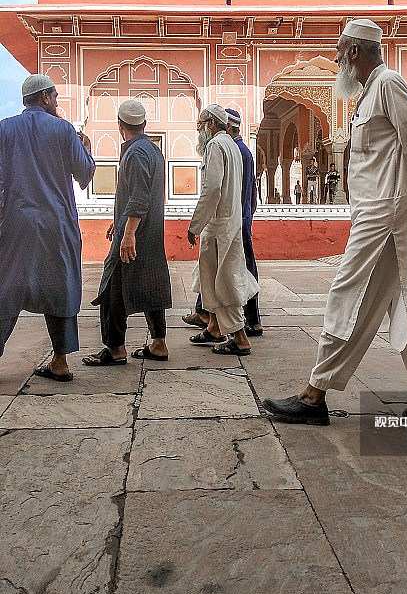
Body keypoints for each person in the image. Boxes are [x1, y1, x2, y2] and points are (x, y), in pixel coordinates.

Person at [262, 18, 407, 427]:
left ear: (355, 51)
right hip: (380, 209)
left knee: (346, 292)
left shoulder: (389, 84)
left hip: (383, 211)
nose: (337, 58)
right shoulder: (370, 92)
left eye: (340, 51)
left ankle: (314, 394)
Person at [0, 74, 95, 381]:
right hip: (58, 222)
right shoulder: (63, 129)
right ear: (43, 97)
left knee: (6, 288)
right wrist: (86, 148)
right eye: (54, 96)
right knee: (61, 285)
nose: (56, 102)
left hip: (16, 222)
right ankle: (60, 361)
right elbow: (84, 173)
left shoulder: (5, 129)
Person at [84, 100, 171, 366]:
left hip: (135, 234)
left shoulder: (134, 153)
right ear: (144, 124)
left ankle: (115, 348)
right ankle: (158, 343)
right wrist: (120, 221)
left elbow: (140, 198)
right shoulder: (154, 151)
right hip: (151, 232)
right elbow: (142, 195)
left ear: (120, 125)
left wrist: (128, 232)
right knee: (151, 284)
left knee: (113, 288)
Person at [187, 104, 259, 356]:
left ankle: (240, 338)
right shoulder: (232, 146)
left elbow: (213, 189)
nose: (199, 129)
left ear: (211, 123)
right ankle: (215, 327)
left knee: (225, 280)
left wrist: (195, 225)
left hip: (218, 226)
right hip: (229, 223)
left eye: (201, 124)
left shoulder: (216, 146)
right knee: (211, 278)